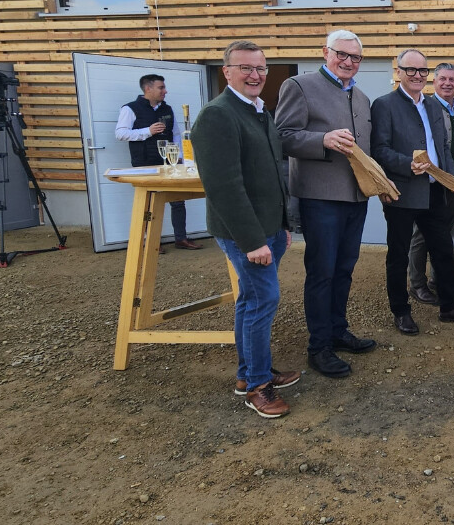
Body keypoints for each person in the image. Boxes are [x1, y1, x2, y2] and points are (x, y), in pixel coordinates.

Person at [192, 40, 299, 419]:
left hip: (270, 228)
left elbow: (273, 174)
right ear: (227, 72)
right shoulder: (217, 116)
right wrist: (252, 240)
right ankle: (257, 385)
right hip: (245, 233)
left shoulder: (258, 111)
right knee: (261, 302)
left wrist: (283, 225)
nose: (255, 75)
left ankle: (248, 373)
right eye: (246, 68)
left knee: (250, 302)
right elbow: (224, 187)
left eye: (261, 68)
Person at [275, 30, 378, 379]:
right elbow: (284, 136)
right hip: (320, 198)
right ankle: (318, 347)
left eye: (355, 57)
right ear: (325, 52)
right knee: (322, 273)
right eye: (342, 54)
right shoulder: (299, 86)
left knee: (345, 269)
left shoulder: (362, 98)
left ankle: (337, 330)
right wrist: (323, 139)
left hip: (356, 196)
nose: (348, 62)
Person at [371, 49, 454, 335]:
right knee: (399, 254)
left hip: (435, 192)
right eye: (411, 70)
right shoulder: (384, 105)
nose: (417, 76)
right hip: (402, 193)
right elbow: (379, 150)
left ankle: (449, 306)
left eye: (422, 71)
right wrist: (407, 164)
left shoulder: (432, 105)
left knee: (443, 251)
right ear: (399, 72)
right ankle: (401, 311)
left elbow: (443, 148)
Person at [115, 74, 202, 252]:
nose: (165, 90)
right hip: (145, 162)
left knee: (178, 200)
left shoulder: (167, 109)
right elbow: (120, 133)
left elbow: (176, 134)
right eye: (161, 87)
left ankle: (181, 238)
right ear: (148, 89)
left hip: (169, 162)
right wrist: (148, 131)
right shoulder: (130, 109)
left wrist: (179, 156)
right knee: (149, 202)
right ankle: (150, 240)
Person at [408, 62, 454, 305]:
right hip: (429, 182)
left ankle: (439, 279)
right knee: (421, 235)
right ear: (434, 82)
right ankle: (417, 284)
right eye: (442, 79)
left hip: (453, 183)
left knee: (444, 233)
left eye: (452, 80)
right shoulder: (425, 108)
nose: (447, 83)